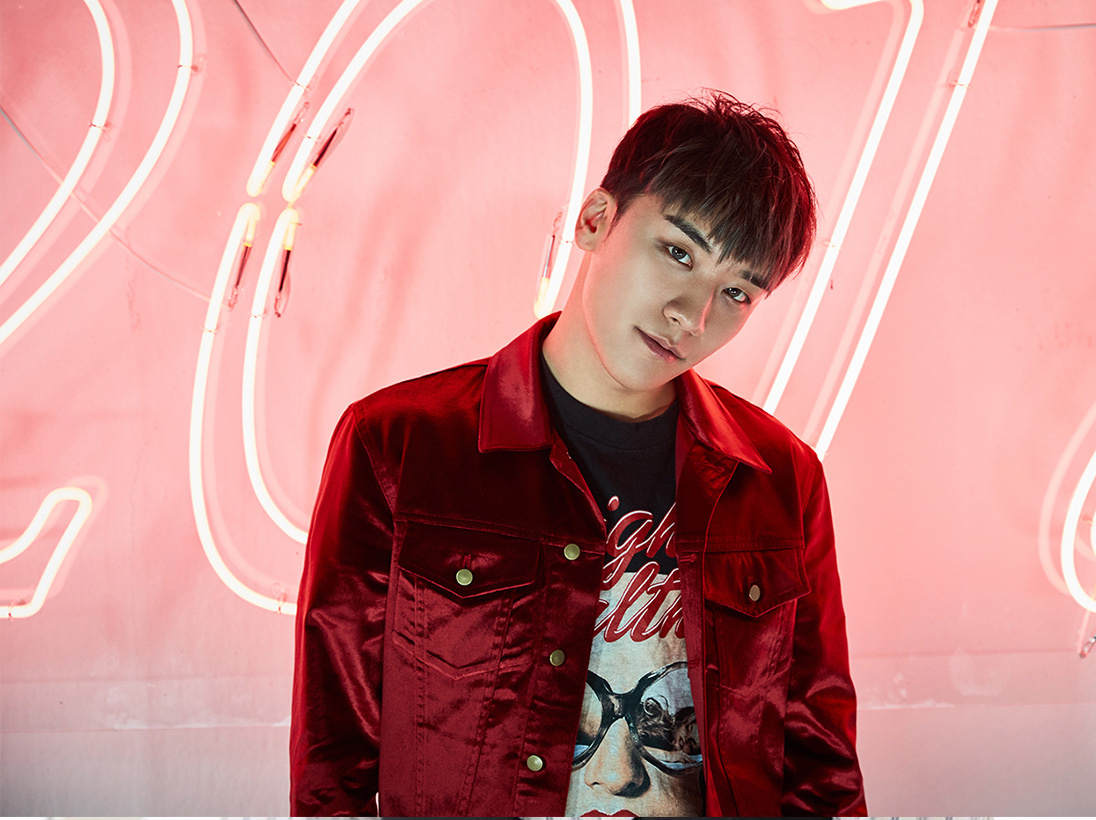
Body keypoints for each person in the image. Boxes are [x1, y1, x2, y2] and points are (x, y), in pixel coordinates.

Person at [290, 90, 866, 817]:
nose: (692, 315)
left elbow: (821, 763)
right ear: (596, 220)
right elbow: (333, 760)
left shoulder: (782, 478)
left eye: (736, 293)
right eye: (677, 252)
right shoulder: (397, 446)